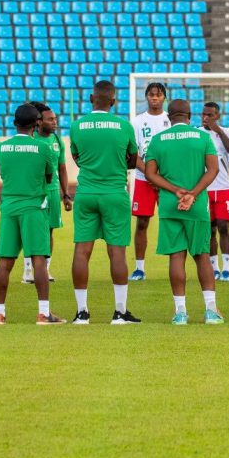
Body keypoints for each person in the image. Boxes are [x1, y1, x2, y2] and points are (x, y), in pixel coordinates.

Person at [143, 99, 224, 325]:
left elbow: (150, 174)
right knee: (202, 255)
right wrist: (193, 194)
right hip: (196, 204)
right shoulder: (202, 137)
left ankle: (180, 313)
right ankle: (210, 311)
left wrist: (175, 190)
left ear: (169, 116)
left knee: (176, 257)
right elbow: (213, 169)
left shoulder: (158, 139)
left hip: (170, 203)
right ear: (189, 115)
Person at [69, 81, 141, 325]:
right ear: (113, 101)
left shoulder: (77, 126)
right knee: (117, 252)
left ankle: (82, 313)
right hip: (114, 193)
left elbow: (77, 157)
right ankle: (120, 312)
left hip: (86, 192)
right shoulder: (124, 126)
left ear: (91, 98)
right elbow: (132, 160)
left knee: (82, 251)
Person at [0, 104, 62, 325]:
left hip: (10, 207)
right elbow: (50, 177)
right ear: (36, 124)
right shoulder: (44, 148)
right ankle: (43, 313)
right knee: (39, 259)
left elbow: (4, 174)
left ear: (14, 123)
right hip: (34, 207)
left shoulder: (1, 148)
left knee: (5, 262)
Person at [131, 82, 171, 281]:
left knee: (171, 221)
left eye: (159, 94)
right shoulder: (137, 122)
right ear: (146, 97)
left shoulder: (170, 121)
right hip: (143, 179)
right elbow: (133, 154)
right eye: (151, 95)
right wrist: (150, 174)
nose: (155, 98)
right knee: (142, 222)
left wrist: (161, 177)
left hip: (168, 181)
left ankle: (175, 264)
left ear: (164, 97)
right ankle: (139, 268)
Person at [28, 102, 72, 285]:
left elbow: (62, 169)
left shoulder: (57, 140)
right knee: (33, 231)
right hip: (35, 192)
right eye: (50, 119)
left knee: (49, 231)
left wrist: (66, 195)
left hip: (53, 191)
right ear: (39, 122)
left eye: (55, 119)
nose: (55, 122)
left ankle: (45, 268)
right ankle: (29, 270)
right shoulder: (31, 140)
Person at [200, 102, 229, 282]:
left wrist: (218, 131)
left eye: (210, 115)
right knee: (210, 229)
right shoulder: (197, 134)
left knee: (224, 226)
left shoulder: (227, 132)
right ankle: (214, 267)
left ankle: (227, 269)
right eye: (204, 115)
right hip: (205, 189)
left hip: (222, 188)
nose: (206, 118)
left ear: (217, 116)